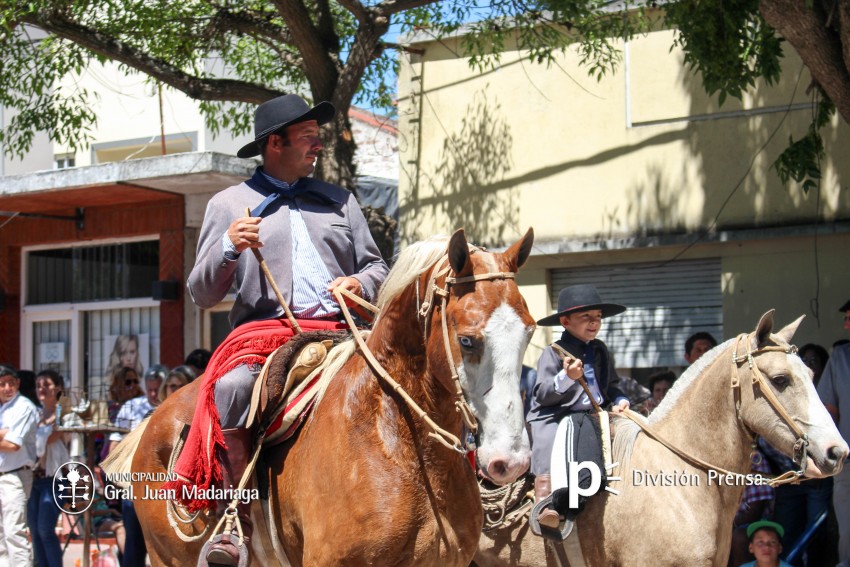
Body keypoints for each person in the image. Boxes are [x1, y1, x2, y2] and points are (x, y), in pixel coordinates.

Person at [167, 93, 389, 566]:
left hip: (344, 329)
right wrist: (228, 247)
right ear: (275, 143)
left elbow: (377, 267)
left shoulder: (340, 200)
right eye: (309, 138)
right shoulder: (229, 204)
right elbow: (201, 293)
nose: (318, 147)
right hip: (268, 333)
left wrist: (361, 280)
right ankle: (233, 521)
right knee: (231, 387)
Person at [527, 284, 630, 531]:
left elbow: (611, 385)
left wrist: (619, 399)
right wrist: (566, 378)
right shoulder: (553, 353)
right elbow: (542, 393)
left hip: (594, 413)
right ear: (565, 321)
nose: (594, 323)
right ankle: (546, 501)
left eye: (597, 318)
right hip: (557, 413)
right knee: (549, 438)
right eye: (586, 317)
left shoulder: (600, 350)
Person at [108, 365, 164, 567]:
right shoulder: (131, 406)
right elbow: (114, 442)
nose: (152, 393)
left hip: (162, 484)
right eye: (149, 388)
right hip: (134, 482)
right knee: (134, 542)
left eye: (157, 389)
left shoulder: (170, 403)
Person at [817, 298, 850, 565]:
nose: (846, 325)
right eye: (846, 318)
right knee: (848, 533)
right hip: (849, 466)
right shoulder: (840, 357)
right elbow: (829, 413)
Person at [28, 369, 71, 567]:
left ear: (58, 388)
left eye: (47, 385)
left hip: (55, 479)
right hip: (32, 479)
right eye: (38, 386)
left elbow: (52, 436)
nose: (41, 389)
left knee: (45, 528)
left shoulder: (65, 413)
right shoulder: (33, 413)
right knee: (35, 532)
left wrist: (37, 435)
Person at [0, 365, 39, 564]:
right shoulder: (3, 408)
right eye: (2, 384)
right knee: (0, 536)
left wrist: (5, 436)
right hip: (3, 476)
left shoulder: (23, 406)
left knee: (14, 533)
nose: (7, 388)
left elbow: (12, 444)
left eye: (11, 383)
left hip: (15, 476)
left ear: (18, 383)